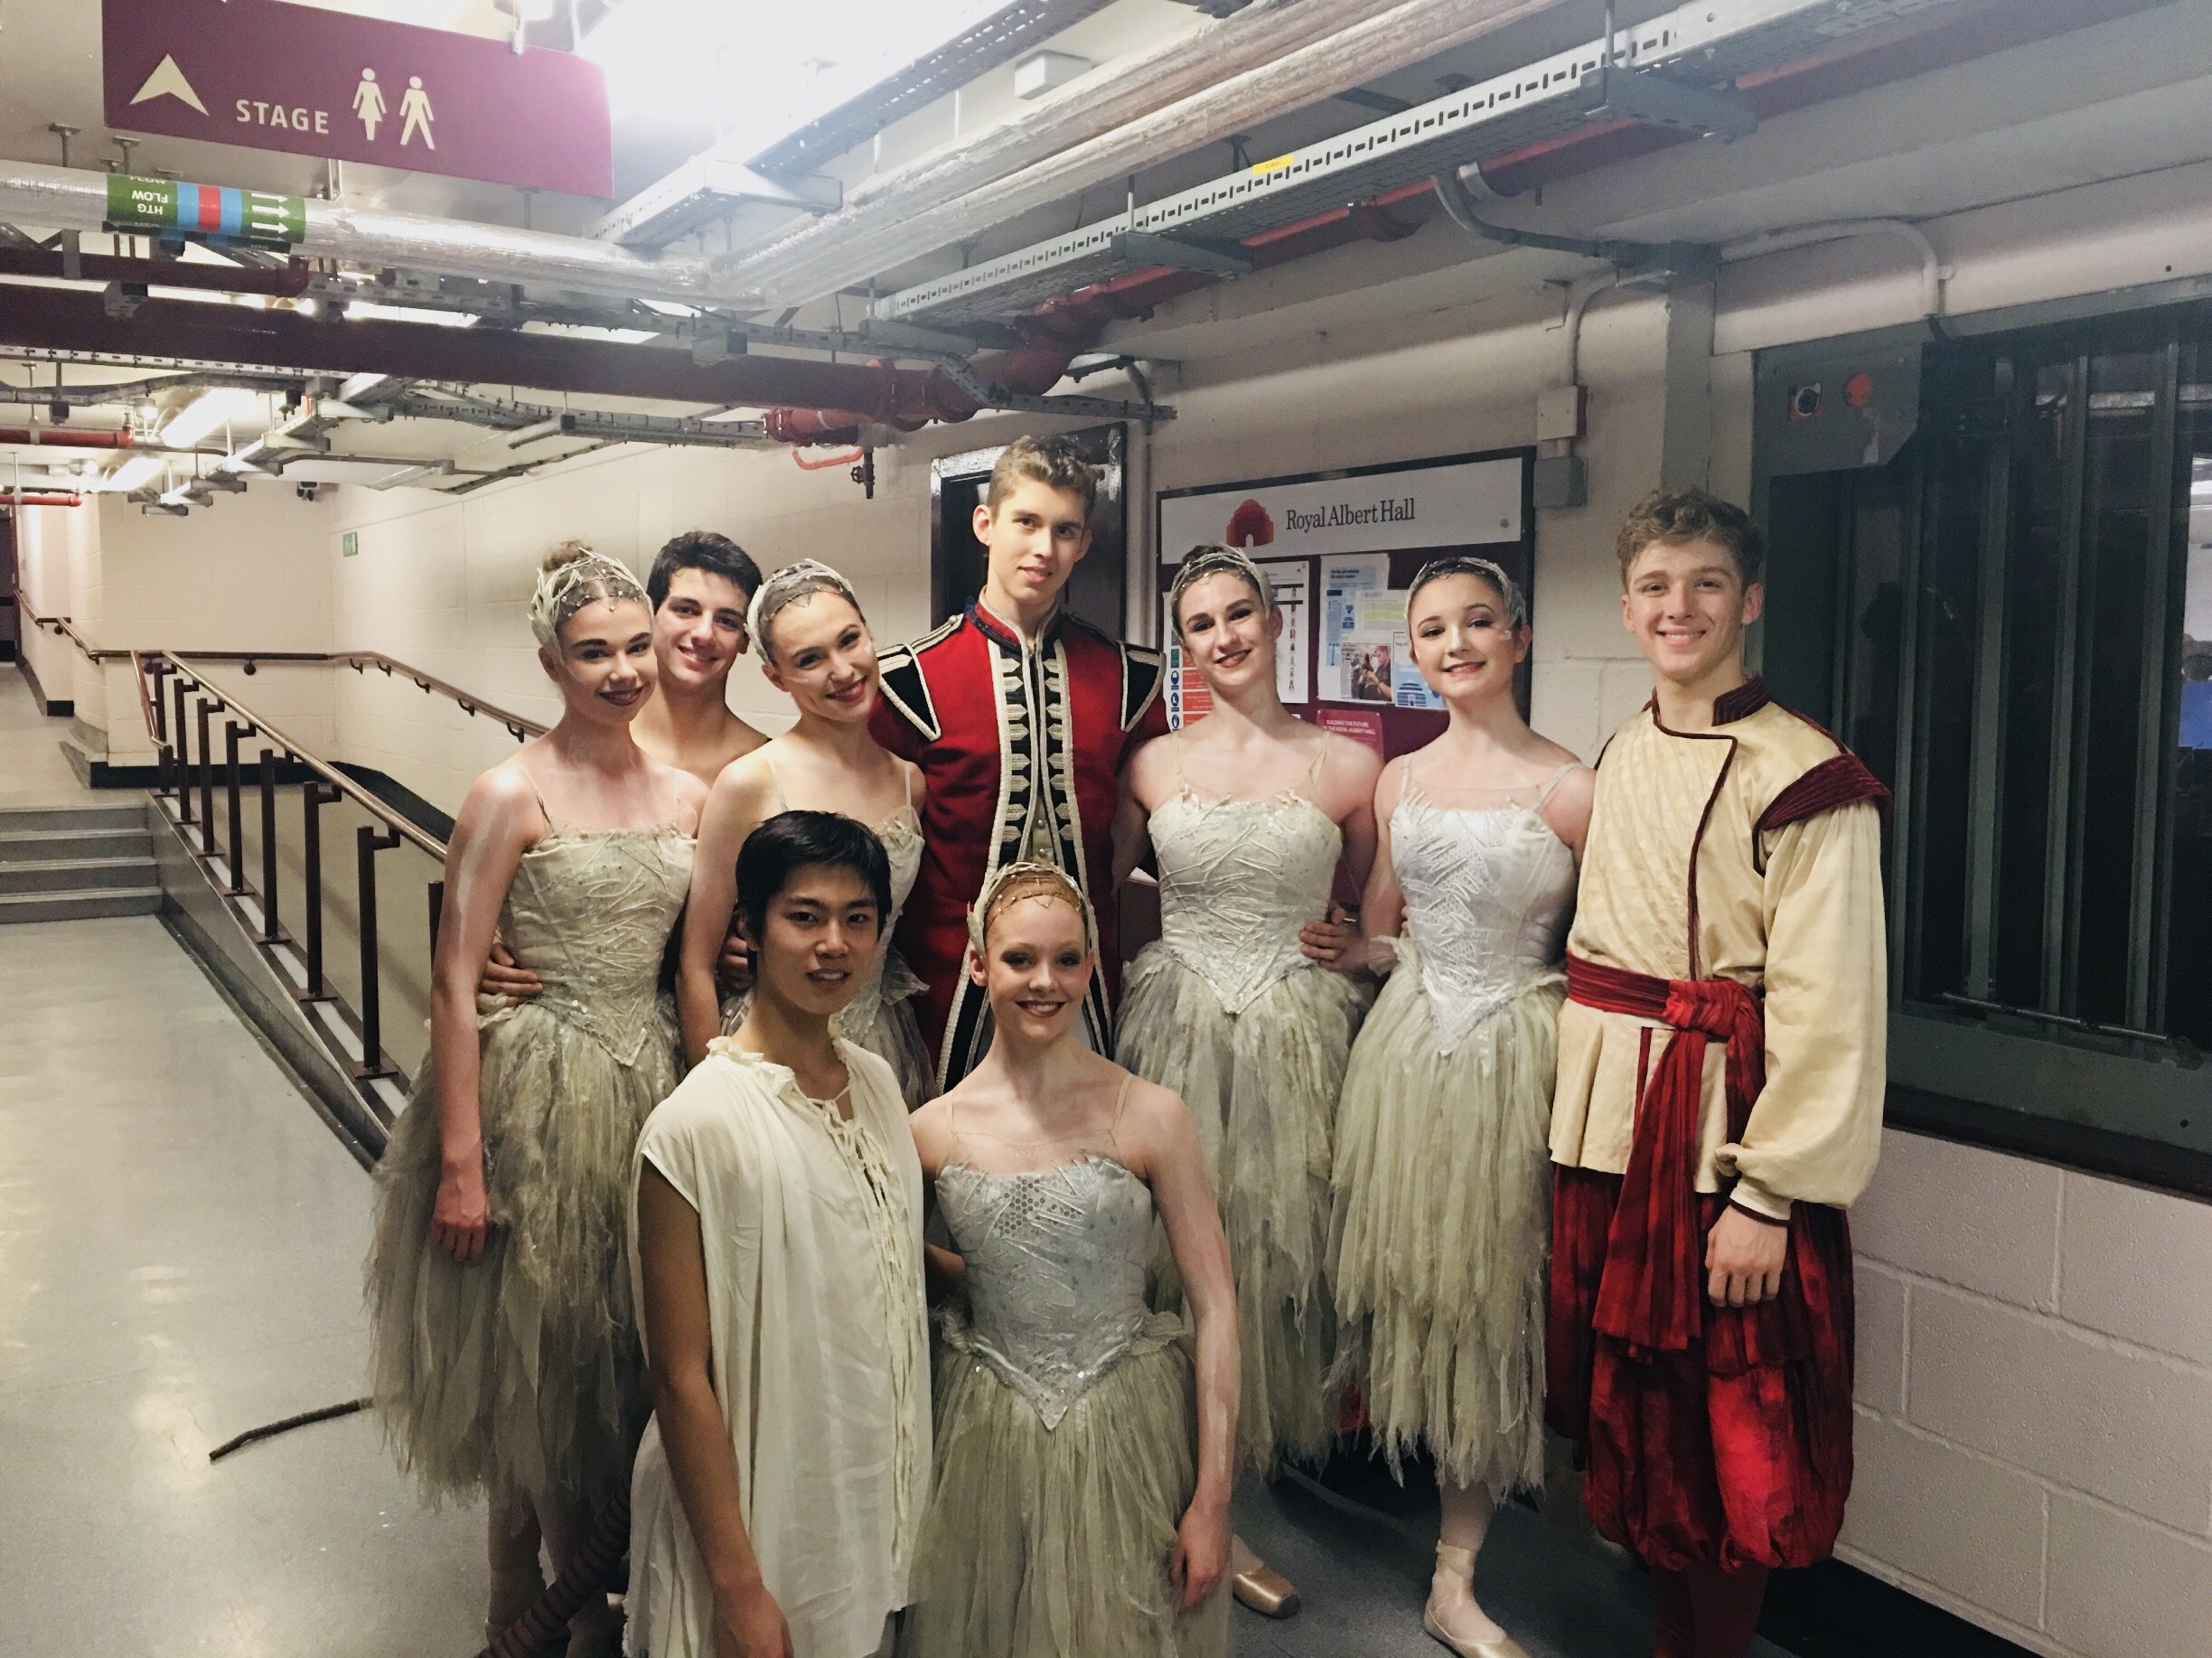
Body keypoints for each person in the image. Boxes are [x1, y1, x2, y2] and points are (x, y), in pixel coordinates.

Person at [1547, 490, 1886, 1658]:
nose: (1676, 606)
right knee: (1646, 1426)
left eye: (1703, 583)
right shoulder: (1625, 743)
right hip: (1612, 1133)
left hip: (1721, 1143)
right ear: (1627, 604)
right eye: (1654, 584)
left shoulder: (1808, 772)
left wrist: (1770, 1190)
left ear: (1749, 600)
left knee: (1729, 1431)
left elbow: (1831, 1003)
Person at [365, 543, 705, 1656]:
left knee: (613, 1356)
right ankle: (527, 1606)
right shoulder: (508, 791)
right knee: (535, 1353)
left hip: (648, 1083)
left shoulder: (689, 793)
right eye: (592, 651)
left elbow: (697, 953)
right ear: (550, 661)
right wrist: (463, 1160)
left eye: (634, 647)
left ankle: (577, 1592)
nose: (621, 670)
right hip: (533, 1098)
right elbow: (457, 982)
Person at [1327, 557, 1594, 1658]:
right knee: (1418, 1289)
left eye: (1478, 621)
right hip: (1407, 1054)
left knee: (1495, 1300)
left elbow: (1603, 944)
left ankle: (1461, 1571)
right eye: (1434, 628)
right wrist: (1355, 947)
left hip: (1516, 1054)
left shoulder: (1576, 785)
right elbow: (1387, 924)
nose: (1456, 643)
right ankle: (1443, 1542)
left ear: (1519, 638)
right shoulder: (1400, 781)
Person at [1111, 543, 1381, 1618]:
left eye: (1239, 615)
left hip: (1293, 1030)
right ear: (1182, 644)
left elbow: (1387, 914)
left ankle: (1246, 1487)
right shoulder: (1151, 764)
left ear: (1275, 624)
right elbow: (1097, 891)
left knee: (1271, 1256)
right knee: (1173, 1256)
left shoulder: (1348, 766)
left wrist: (1359, 938)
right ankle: (1177, 1486)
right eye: (1198, 624)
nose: (1223, 637)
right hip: (1176, 1022)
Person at [899, 862, 1235, 1658]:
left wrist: (1214, 1500)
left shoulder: (1152, 1113)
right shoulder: (930, 1128)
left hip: (1125, 1418)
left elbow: (1216, 1304)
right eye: (1019, 959)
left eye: (1067, 958)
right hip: (985, 1427)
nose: (1044, 981)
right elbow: (893, 1268)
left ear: (1091, 963)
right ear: (978, 963)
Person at [628, 811, 931, 1658]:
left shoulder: (874, 1083)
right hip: (764, 1520)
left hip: (864, 1489)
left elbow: (885, 1256)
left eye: (858, 918)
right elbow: (680, 1376)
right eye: (805, 916)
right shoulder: (695, 1126)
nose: (834, 943)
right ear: (751, 929)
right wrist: (738, 1587)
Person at [871, 436, 1168, 1087]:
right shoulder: (907, 679)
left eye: (1065, 530)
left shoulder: (1129, 676)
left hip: (1081, 978)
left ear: (1085, 542)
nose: (1044, 549)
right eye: (1026, 522)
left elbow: (1160, 830)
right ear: (985, 524)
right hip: (945, 982)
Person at [674, 562, 933, 1103]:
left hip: (879, 1042)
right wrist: (717, 1101)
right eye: (810, 660)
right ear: (777, 677)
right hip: (771, 1051)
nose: (842, 671)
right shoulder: (749, 783)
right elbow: (696, 965)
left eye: (849, 640)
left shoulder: (910, 783)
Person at [482, 529, 765, 1007]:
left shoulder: (764, 765)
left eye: (728, 620)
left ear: (744, 641)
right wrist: (493, 939)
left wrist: (756, 945)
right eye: (686, 609)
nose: (703, 634)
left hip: (723, 1018)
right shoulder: (589, 747)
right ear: (650, 615)